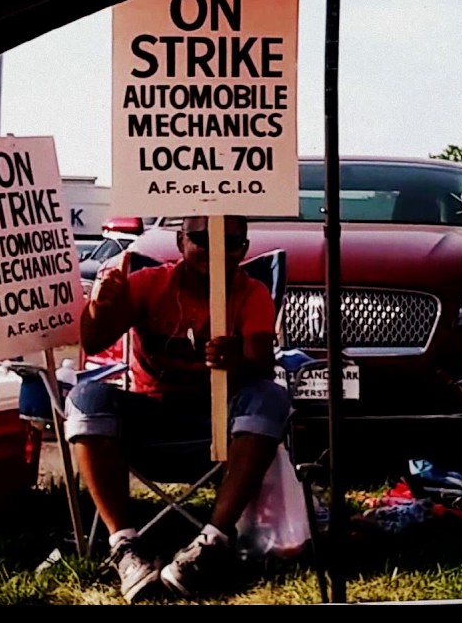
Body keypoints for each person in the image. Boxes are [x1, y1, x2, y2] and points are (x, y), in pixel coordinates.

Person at [65, 214, 292, 602]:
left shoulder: (250, 293)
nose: (215, 251)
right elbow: (94, 338)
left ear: (245, 250)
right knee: (86, 400)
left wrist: (238, 359)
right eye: (202, 239)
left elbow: (263, 366)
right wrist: (101, 306)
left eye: (231, 243)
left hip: (220, 426)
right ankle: (124, 546)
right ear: (180, 242)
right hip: (152, 416)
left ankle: (213, 543)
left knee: (270, 396)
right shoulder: (150, 284)